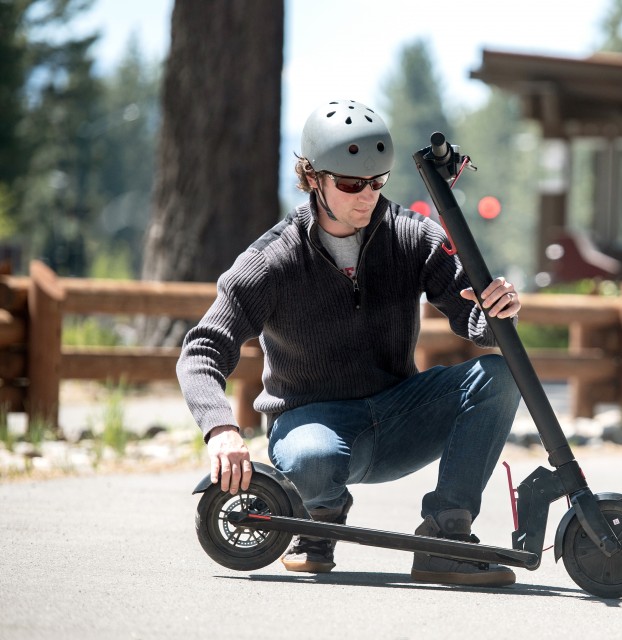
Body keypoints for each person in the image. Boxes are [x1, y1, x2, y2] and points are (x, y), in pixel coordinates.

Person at [177, 100, 523, 587]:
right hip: (312, 423)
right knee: (314, 458)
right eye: (351, 184)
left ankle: (447, 536)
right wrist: (220, 430)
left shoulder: (413, 236)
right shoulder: (272, 260)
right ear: (312, 177)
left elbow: (471, 316)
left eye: (378, 183)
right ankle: (319, 521)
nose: (367, 197)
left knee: (501, 376)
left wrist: (496, 311)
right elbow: (202, 350)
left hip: (400, 414)